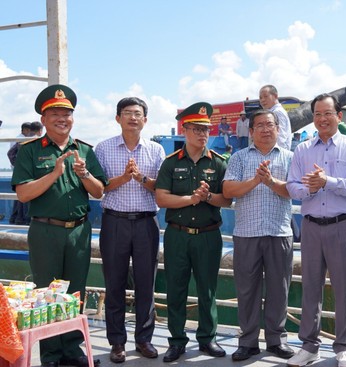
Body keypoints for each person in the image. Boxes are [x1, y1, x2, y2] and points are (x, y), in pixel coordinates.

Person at [11, 84, 106, 367]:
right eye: (55, 113)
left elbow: (99, 191)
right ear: (43, 119)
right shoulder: (29, 151)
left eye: (66, 113)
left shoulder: (84, 150)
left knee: (75, 290)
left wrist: (84, 173)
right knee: (47, 293)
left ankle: (72, 350)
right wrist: (54, 173)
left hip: (78, 230)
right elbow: (24, 194)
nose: (61, 118)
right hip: (45, 231)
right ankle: (51, 354)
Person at [286, 93, 346, 367]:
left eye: (327, 113)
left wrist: (327, 181)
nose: (322, 119)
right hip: (311, 226)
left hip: (341, 224)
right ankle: (309, 346)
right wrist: (309, 187)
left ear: (339, 116)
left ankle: (343, 347)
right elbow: (292, 186)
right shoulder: (303, 149)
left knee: (344, 288)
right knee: (310, 287)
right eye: (317, 114)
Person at [155, 102, 232, 363]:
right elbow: (162, 198)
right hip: (177, 234)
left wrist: (208, 196)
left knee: (207, 289)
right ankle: (176, 341)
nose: (202, 134)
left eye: (206, 129)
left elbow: (227, 200)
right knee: (176, 289)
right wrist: (191, 199)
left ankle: (207, 339)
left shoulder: (220, 163)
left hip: (209, 234)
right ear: (184, 130)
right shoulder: (170, 163)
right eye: (197, 129)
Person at [94, 97, 165, 364]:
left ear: (145, 120)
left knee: (147, 283)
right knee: (114, 283)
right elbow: (98, 186)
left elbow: (161, 189)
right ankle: (117, 342)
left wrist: (141, 179)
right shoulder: (103, 148)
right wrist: (124, 178)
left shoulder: (156, 150)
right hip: (115, 221)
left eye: (138, 114)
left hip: (146, 222)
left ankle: (144, 339)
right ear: (117, 118)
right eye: (127, 113)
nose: (133, 118)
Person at [222, 109, 295, 362]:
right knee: (247, 290)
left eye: (270, 124)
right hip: (247, 234)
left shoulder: (290, 157)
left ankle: (277, 340)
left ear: (278, 129)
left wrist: (271, 181)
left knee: (279, 289)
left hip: (279, 232)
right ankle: (248, 342)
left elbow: (295, 191)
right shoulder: (240, 158)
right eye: (260, 125)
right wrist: (256, 180)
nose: (265, 129)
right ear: (251, 131)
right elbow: (228, 189)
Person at [8, 122, 40, 225]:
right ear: (40, 130)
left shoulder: (21, 141)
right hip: (32, 172)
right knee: (30, 197)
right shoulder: (38, 140)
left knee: (21, 196)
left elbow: (10, 153)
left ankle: (17, 219)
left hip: (21, 172)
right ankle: (27, 220)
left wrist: (18, 165)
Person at [259, 84, 292, 150]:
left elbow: (280, 137)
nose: (262, 100)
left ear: (275, 96)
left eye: (265, 96)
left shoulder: (277, 112)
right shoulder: (272, 112)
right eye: (260, 98)